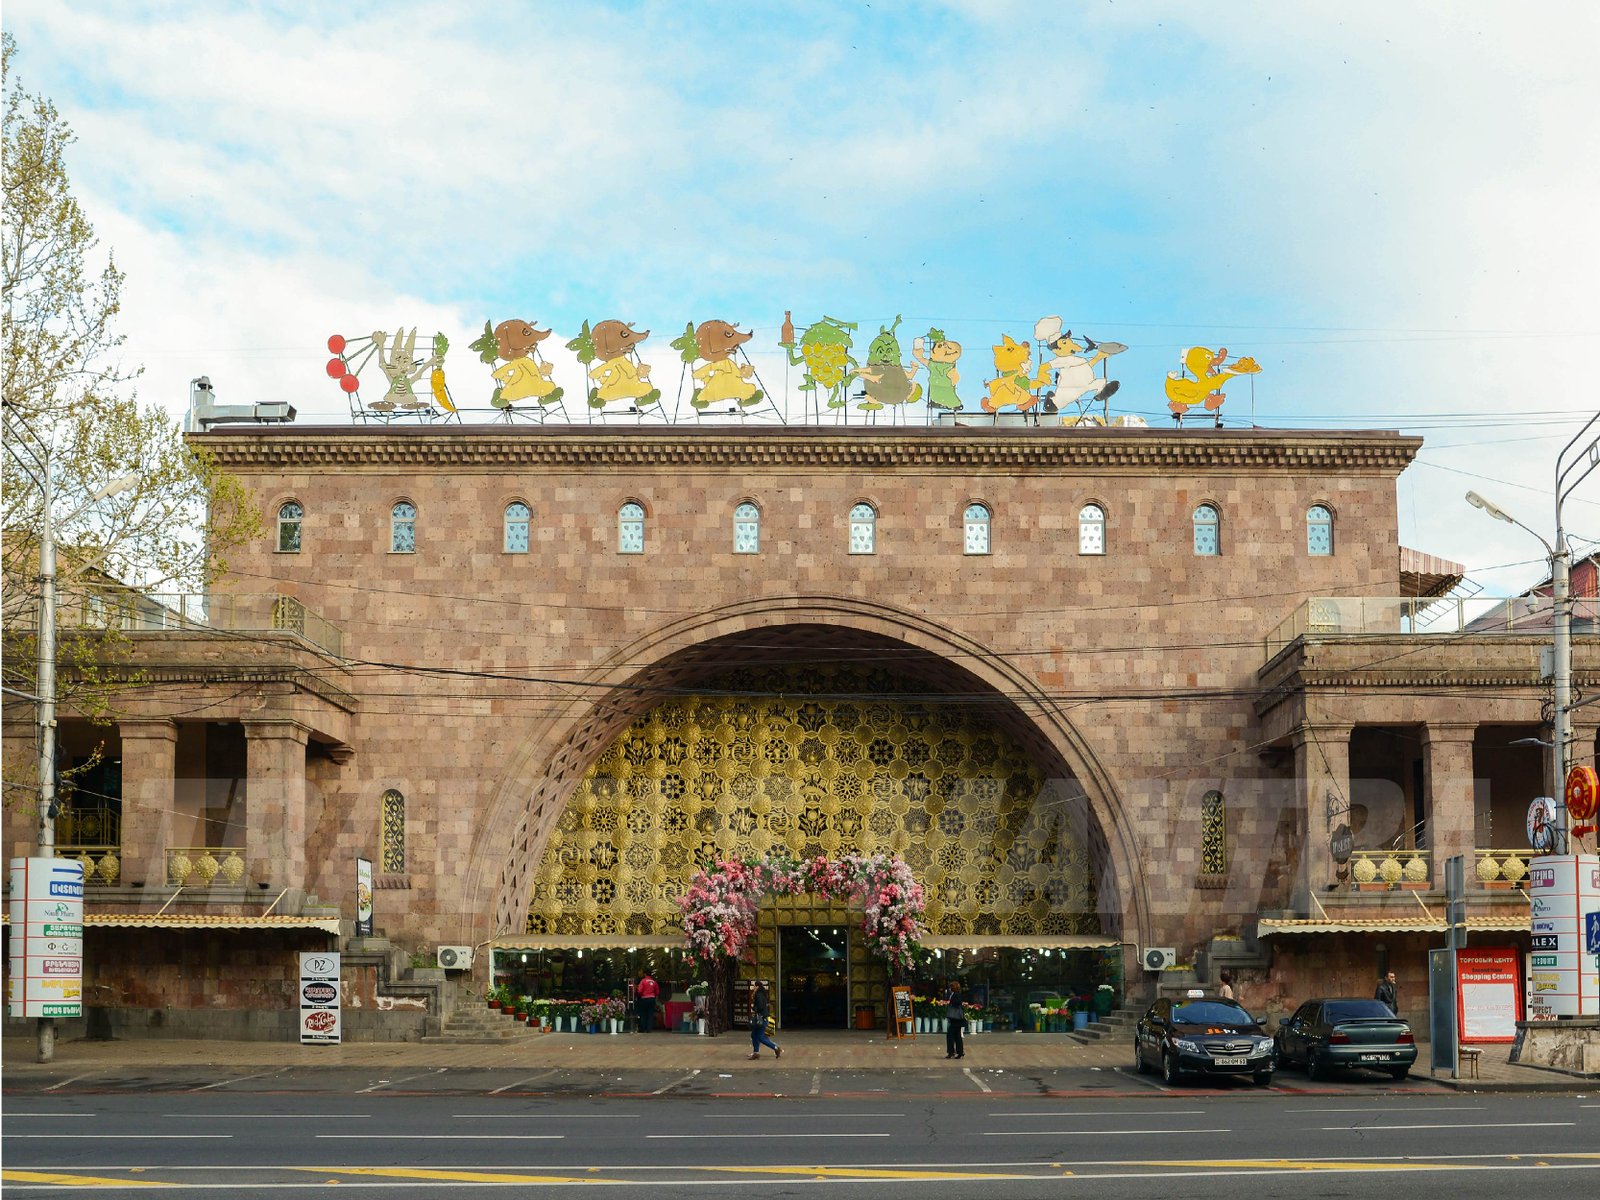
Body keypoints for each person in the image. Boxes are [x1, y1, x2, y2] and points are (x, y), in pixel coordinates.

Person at [749, 982, 781, 1060]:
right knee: (754, 1035)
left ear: (757, 986)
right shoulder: (762, 994)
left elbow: (760, 1006)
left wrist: (754, 1008)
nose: (753, 987)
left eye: (754, 986)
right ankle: (756, 1052)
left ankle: (776, 1048)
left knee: (760, 1037)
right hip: (763, 1018)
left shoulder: (758, 995)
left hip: (760, 1018)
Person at [945, 984, 966, 1060]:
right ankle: (960, 1052)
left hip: (955, 1018)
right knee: (957, 1036)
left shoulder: (956, 995)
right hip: (956, 1019)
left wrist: (951, 1002)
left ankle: (951, 1052)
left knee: (950, 1035)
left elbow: (957, 1002)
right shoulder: (954, 994)